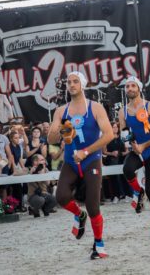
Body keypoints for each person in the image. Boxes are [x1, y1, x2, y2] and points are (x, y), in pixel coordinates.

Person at [48, 71, 113, 259]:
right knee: (61, 197)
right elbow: (51, 139)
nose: (71, 85)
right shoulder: (61, 111)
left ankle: (99, 244)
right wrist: (61, 131)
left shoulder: (96, 108)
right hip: (70, 160)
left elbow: (109, 135)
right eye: (68, 82)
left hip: (91, 159)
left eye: (75, 81)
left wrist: (86, 151)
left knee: (93, 206)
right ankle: (79, 215)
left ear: (82, 85)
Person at [118, 76, 150, 237]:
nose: (130, 88)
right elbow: (125, 134)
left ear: (139, 89)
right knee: (127, 169)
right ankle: (139, 192)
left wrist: (144, 146)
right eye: (127, 86)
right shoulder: (122, 111)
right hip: (136, 149)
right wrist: (133, 146)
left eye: (133, 86)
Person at [102, 122, 130, 203]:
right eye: (113, 127)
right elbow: (104, 151)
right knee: (114, 177)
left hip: (121, 158)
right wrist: (112, 153)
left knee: (124, 176)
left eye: (116, 127)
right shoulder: (107, 137)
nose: (115, 129)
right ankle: (116, 196)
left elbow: (126, 149)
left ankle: (126, 195)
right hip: (111, 159)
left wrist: (123, 153)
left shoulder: (122, 137)